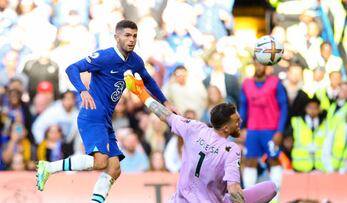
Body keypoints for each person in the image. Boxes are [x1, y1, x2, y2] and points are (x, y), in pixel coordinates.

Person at [36, 20, 172, 203]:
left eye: (134, 36)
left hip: (106, 119)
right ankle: (49, 167)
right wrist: (83, 91)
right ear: (116, 37)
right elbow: (72, 68)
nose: (131, 40)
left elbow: (148, 80)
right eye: (127, 35)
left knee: (114, 168)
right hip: (92, 115)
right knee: (101, 162)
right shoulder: (104, 57)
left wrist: (164, 101)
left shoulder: (135, 61)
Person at [123, 71, 277, 203]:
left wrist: (141, 93)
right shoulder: (231, 149)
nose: (240, 122)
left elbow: (164, 114)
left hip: (179, 200)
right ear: (225, 127)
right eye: (237, 121)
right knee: (270, 188)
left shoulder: (195, 128)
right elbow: (234, 188)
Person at [239, 59, 288, 194]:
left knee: (274, 160)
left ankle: (275, 197)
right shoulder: (246, 84)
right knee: (250, 161)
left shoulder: (275, 83)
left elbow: (283, 107)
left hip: (271, 130)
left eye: (262, 63)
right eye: (257, 63)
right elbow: (243, 108)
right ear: (253, 64)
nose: (259, 66)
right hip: (253, 130)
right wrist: (241, 127)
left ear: (266, 66)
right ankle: (249, 196)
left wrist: (280, 131)